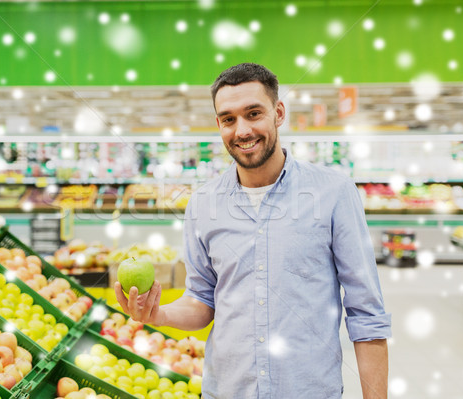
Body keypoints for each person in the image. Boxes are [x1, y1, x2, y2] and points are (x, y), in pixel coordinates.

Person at [115, 63, 391, 399]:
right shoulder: (203, 204)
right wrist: (159, 314)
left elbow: (367, 314)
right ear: (218, 124)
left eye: (253, 113)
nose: (242, 130)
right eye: (229, 119)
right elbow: (203, 300)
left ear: (278, 113)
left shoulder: (333, 193)